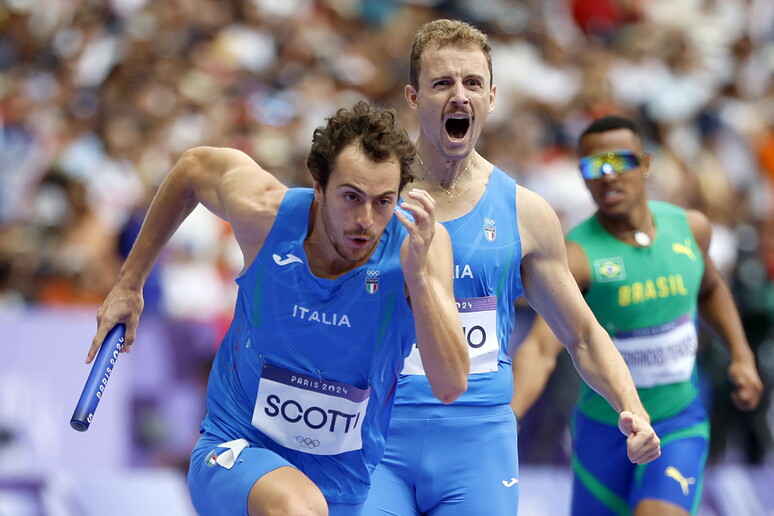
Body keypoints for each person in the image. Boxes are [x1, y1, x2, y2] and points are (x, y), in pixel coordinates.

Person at [86, 101, 471, 516]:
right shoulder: (265, 214)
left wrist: (419, 282)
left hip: (342, 490)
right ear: (318, 187)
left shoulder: (420, 248)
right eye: (350, 197)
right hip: (236, 453)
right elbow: (193, 167)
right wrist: (130, 282)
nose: (365, 219)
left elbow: (450, 384)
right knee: (295, 506)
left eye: (382, 201)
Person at [364, 20, 661, 516]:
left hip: (478, 445)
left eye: (472, 83)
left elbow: (582, 334)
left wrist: (633, 409)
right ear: (414, 98)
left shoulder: (525, 212)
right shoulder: (371, 200)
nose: (459, 96)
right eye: (443, 83)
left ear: (492, 97)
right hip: (378, 437)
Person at [511, 114, 764, 516]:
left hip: (678, 419)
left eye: (620, 161)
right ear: (582, 175)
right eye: (594, 166)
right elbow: (541, 349)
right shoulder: (576, 256)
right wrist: (510, 417)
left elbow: (711, 287)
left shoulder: (690, 228)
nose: (608, 175)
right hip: (604, 431)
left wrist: (741, 354)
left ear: (645, 164)